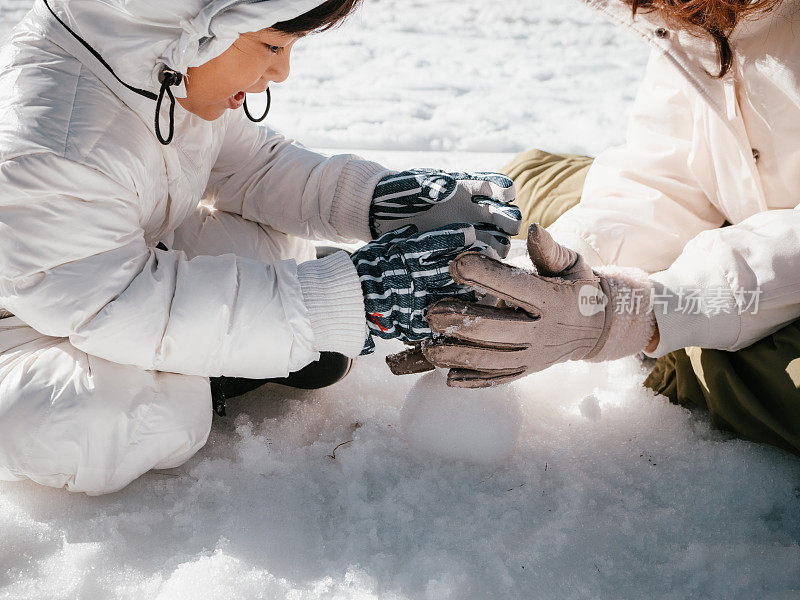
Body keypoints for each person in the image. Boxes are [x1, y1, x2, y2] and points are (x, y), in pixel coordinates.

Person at [0, 0, 522, 494]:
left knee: (267, 246)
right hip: (30, 315)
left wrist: (380, 201)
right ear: (195, 21)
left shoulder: (152, 62)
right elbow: (112, 303)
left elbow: (251, 168)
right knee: (90, 422)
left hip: (90, 269)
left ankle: (250, 341)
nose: (282, 73)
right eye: (274, 46)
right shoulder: (56, 141)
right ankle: (223, 367)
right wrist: (344, 300)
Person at [407, 0, 800, 456]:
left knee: (755, 376)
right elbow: (666, 173)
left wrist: (640, 317)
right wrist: (562, 266)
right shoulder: (693, 10)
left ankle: (683, 362)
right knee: (526, 190)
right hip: (744, 210)